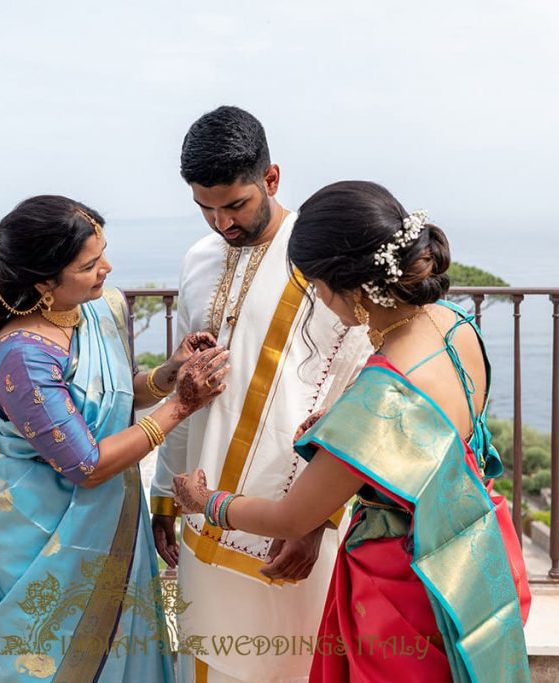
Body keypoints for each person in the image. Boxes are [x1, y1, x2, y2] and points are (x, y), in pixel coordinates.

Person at [173, 181, 532, 682]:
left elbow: (291, 517)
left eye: (315, 286)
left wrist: (204, 500)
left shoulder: (378, 398)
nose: (317, 299)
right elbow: (440, 442)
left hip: (407, 581)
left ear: (350, 288)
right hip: (478, 550)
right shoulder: (455, 325)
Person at [0, 195, 230, 682]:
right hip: (43, 538)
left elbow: (117, 397)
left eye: (103, 253)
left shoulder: (104, 308)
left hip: (112, 519)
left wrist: (167, 374)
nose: (107, 268)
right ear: (42, 282)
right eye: (89, 264)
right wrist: (181, 406)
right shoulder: (23, 356)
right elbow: (88, 463)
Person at [150, 107, 372, 682]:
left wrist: (317, 521)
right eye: (206, 207)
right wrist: (163, 492)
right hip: (205, 510)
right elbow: (189, 392)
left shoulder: (325, 257)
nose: (221, 222)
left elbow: (358, 391)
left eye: (236, 205)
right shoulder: (198, 262)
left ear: (271, 179)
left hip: (297, 523)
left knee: (290, 665)